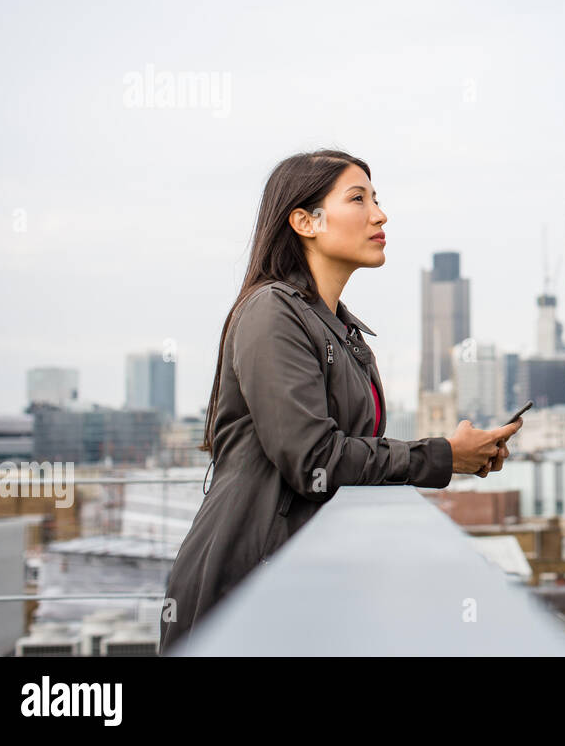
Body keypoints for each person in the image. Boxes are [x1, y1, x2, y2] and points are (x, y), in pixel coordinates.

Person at [159, 149, 520, 654]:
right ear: (305, 221)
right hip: (246, 581)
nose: (380, 214)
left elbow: (350, 454)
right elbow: (315, 460)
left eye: (377, 198)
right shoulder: (271, 312)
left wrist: (457, 454)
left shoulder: (345, 332)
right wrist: (443, 456)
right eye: (359, 199)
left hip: (302, 579)